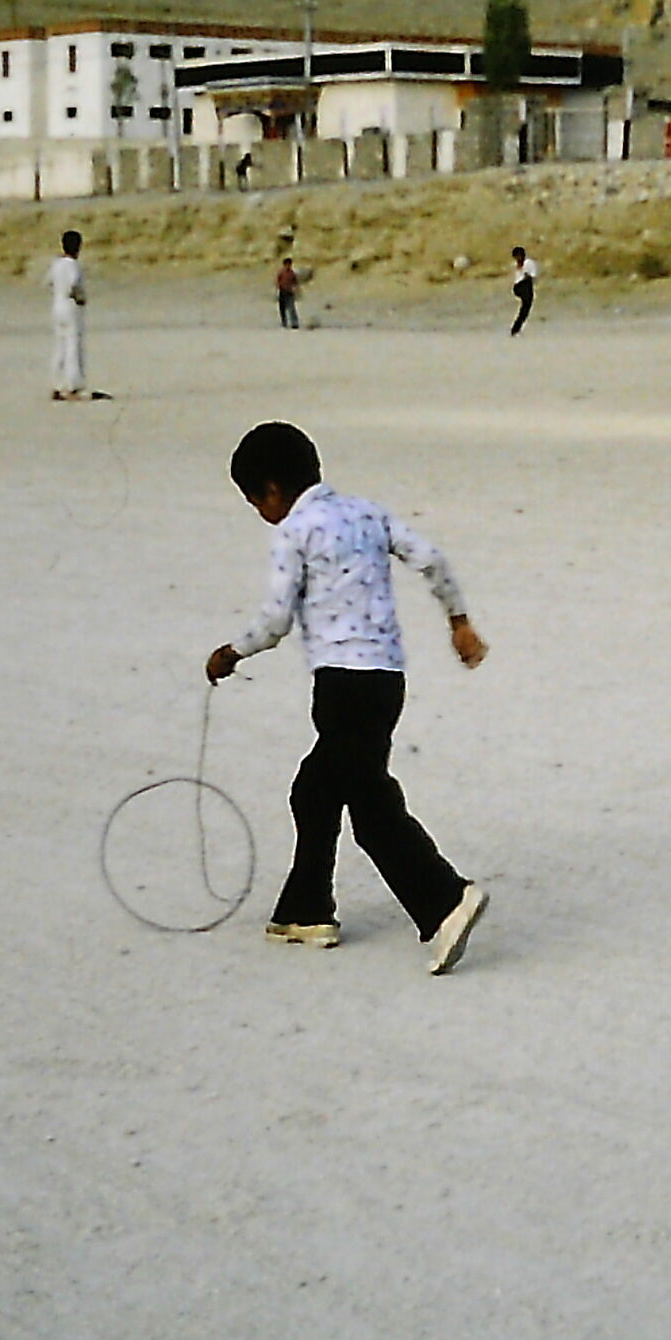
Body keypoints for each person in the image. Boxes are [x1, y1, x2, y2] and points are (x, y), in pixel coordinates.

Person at [205, 422, 491, 975]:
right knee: (315, 789)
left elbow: (276, 620)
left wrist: (233, 653)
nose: (261, 513)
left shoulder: (294, 530)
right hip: (386, 682)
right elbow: (430, 558)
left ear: (270, 491)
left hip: (340, 683)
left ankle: (444, 900)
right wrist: (457, 620)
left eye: (254, 501)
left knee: (371, 807)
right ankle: (306, 910)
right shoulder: (366, 513)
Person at [47, 229, 93, 401]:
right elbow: (74, 285)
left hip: (57, 306)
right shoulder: (73, 265)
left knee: (60, 345)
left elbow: (49, 282)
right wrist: (81, 298)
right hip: (71, 308)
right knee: (74, 346)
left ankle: (57, 384)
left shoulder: (56, 264)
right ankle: (74, 386)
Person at [508, 245, 538, 337]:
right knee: (526, 306)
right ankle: (515, 329)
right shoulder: (516, 266)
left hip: (526, 286)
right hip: (520, 287)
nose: (518, 258)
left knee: (525, 309)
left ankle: (515, 329)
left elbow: (532, 276)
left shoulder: (528, 263)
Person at [275, 255, 302, 330]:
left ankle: (294, 323)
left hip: (290, 292)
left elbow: (296, 282)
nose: (288, 266)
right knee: (282, 308)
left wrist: (297, 289)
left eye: (289, 264)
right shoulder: (281, 272)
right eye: (287, 264)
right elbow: (277, 281)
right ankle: (284, 322)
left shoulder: (292, 273)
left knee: (292, 308)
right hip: (282, 291)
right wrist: (277, 288)